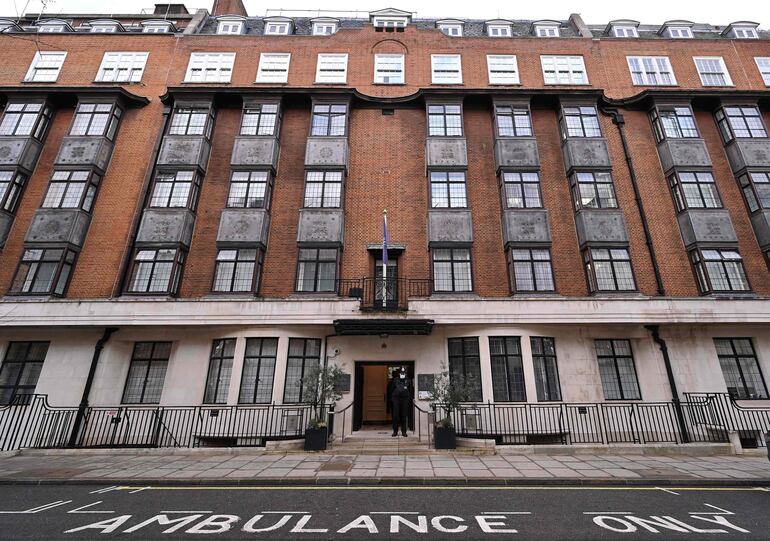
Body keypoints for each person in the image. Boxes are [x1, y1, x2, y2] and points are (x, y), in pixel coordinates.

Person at [388, 367, 412, 437]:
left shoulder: (408, 380)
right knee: (395, 416)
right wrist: (392, 399)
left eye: (403, 372)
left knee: (404, 416)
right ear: (399, 373)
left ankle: (404, 431)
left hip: (405, 400)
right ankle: (395, 431)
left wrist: (409, 399)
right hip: (396, 400)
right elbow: (391, 390)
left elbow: (410, 391)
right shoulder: (395, 380)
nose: (402, 374)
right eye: (401, 372)